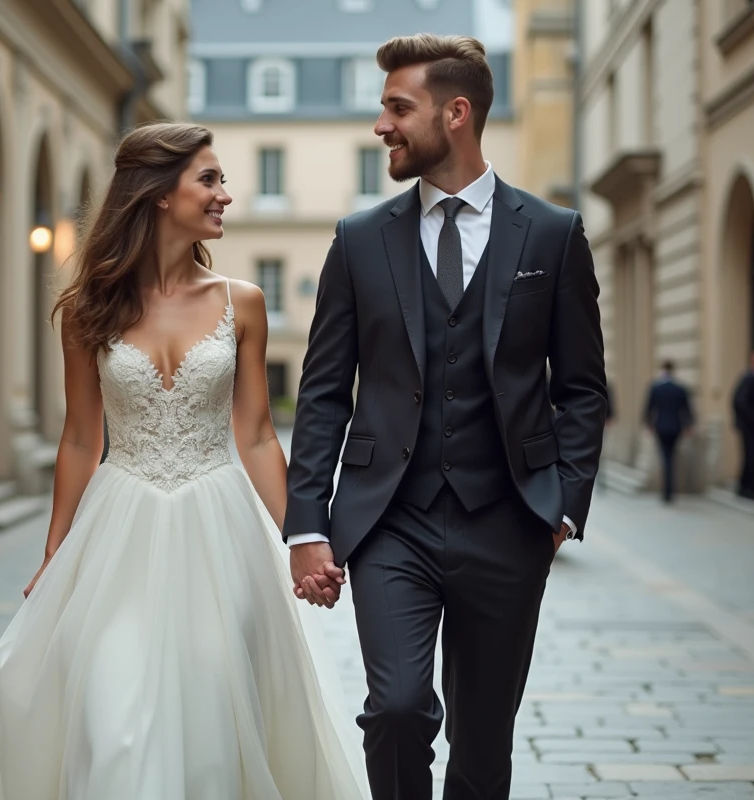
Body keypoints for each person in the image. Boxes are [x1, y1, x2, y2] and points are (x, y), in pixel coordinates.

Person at [0, 123, 367, 799]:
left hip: (220, 531)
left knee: (214, 706)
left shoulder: (244, 304)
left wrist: (304, 540)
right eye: (209, 179)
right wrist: (56, 555)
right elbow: (81, 438)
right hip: (119, 531)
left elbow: (258, 434)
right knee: (110, 714)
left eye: (223, 180)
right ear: (156, 194)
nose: (226, 195)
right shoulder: (88, 309)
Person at [285, 34, 608, 800]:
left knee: (483, 737)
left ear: (456, 113)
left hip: (510, 519)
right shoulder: (359, 241)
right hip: (390, 519)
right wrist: (308, 525)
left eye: (399, 107)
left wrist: (564, 503)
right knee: (396, 709)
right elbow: (324, 391)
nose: (381, 125)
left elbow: (584, 388)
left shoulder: (554, 235)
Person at [642, 360, 693, 504]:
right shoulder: (680, 388)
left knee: (665, 458)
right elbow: (687, 409)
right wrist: (688, 426)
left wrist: (648, 425)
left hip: (661, 427)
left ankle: (666, 492)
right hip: (676, 427)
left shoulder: (656, 388)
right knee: (671, 457)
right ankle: (670, 491)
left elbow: (649, 408)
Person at [732, 349, 754, 499]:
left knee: (753, 456)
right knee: (750, 456)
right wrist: (753, 417)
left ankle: (748, 486)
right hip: (749, 426)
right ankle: (746, 487)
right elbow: (739, 401)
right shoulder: (749, 378)